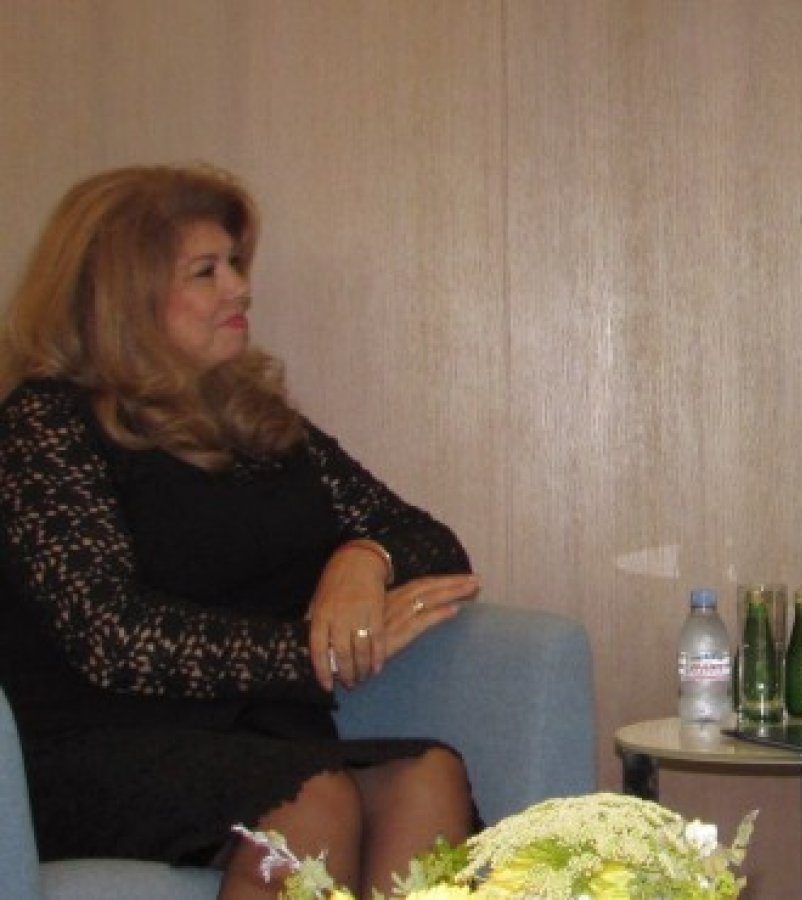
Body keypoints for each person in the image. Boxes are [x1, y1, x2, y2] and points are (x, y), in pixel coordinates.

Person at [0, 164, 482, 898]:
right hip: (97, 747)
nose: (239, 289)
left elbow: (432, 543)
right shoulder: (46, 424)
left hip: (259, 742)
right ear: (124, 295)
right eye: (207, 271)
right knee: (313, 801)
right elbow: (112, 637)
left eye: (234, 264)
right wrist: (311, 653)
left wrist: (363, 558)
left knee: (427, 776)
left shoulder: (258, 425)